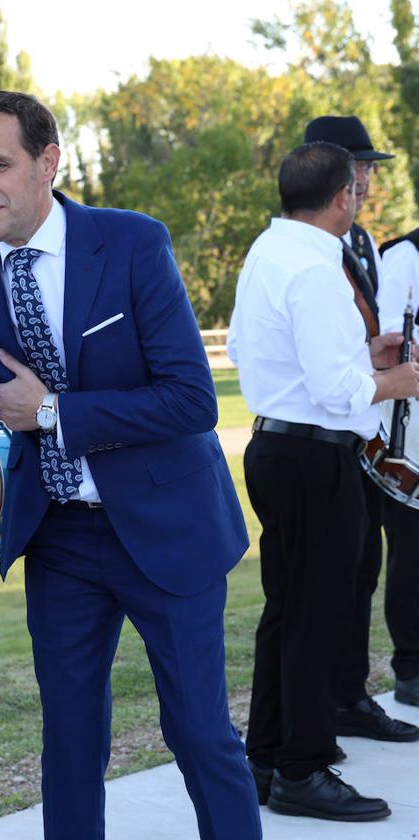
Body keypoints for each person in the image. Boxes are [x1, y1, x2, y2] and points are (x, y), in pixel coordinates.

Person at [0, 90, 260, 839]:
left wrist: (52, 413)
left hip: (169, 526)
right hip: (61, 540)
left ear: (48, 163)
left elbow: (191, 400)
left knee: (199, 736)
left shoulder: (133, 242)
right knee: (70, 744)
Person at [229, 140, 419, 821]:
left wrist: (367, 354)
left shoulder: (270, 251)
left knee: (287, 612)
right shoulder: (313, 269)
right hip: (315, 456)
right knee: (315, 615)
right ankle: (303, 769)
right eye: (359, 189)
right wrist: (400, 380)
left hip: (281, 445)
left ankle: (266, 755)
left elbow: (286, 357)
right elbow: (340, 393)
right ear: (345, 196)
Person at [304, 115, 419, 742]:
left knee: (363, 570)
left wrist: (381, 349)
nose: (368, 179)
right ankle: (318, 712)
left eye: (369, 169)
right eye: (360, 167)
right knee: (325, 580)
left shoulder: (365, 242)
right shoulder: (303, 250)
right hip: (322, 431)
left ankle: (350, 695)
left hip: (365, 432)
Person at [372, 226, 419, 708]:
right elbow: (394, 335)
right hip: (412, 425)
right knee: (412, 546)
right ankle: (412, 667)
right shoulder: (406, 255)